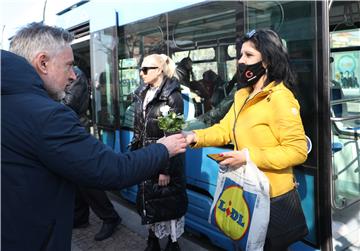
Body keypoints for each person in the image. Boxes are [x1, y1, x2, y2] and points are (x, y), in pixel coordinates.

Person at [1, 22, 187, 251]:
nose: (73, 76)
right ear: (43, 63)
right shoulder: (46, 115)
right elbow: (113, 170)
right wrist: (164, 149)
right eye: (69, 66)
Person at [185, 29, 309, 251]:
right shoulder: (243, 95)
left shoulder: (280, 98)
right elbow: (225, 130)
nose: (241, 62)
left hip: (271, 198)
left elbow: (297, 150)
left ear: (268, 61)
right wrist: (194, 137)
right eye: (240, 55)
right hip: (244, 190)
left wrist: (247, 157)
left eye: (249, 56)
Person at [131, 54, 188, 251]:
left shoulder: (173, 96)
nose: (141, 73)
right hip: (147, 158)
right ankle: (153, 240)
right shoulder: (142, 93)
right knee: (150, 200)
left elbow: (174, 134)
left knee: (167, 202)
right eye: (141, 69)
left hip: (164, 161)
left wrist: (165, 169)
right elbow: (138, 129)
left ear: (159, 70)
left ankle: (172, 244)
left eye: (146, 69)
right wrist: (135, 156)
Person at [62, 66, 121, 241]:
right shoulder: (68, 74)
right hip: (70, 131)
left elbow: (67, 106)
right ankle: (80, 218)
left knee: (86, 178)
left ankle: (110, 217)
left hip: (75, 132)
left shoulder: (76, 77)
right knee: (76, 179)